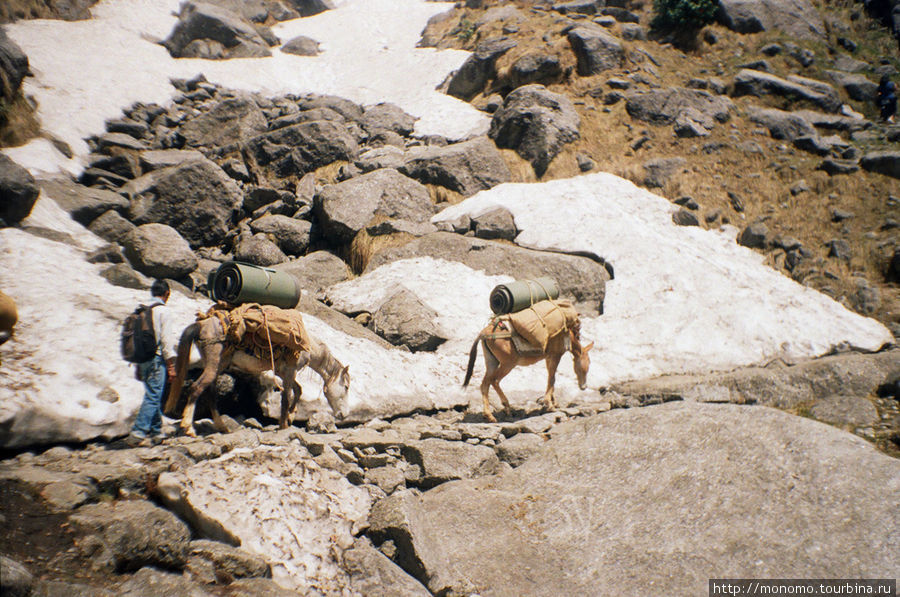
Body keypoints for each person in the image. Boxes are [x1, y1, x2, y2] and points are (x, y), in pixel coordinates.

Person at [129, 280, 177, 445]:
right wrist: (171, 366)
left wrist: (137, 364)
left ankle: (156, 432)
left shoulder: (142, 310)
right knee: (154, 395)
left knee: (153, 393)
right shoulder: (164, 312)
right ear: (166, 294)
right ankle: (138, 431)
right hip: (156, 358)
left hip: (142, 358)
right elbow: (166, 341)